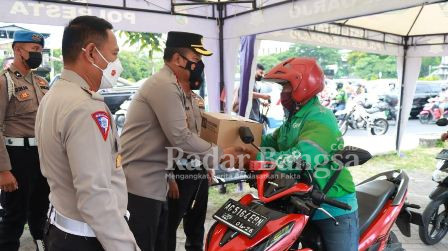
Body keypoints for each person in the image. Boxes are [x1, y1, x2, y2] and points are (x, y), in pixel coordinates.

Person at [120, 31, 245, 251]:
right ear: (178, 59)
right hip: (141, 186)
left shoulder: (177, 88)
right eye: (196, 60)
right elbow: (180, 137)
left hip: (154, 183)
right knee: (144, 244)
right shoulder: (164, 86)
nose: (199, 66)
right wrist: (221, 153)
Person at [35, 16, 139, 251]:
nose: (117, 63)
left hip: (62, 229)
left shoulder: (54, 95)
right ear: (91, 53)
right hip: (88, 239)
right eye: (114, 54)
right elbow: (94, 196)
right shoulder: (85, 107)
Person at [255, 58, 359, 251]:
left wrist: (260, 160)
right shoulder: (293, 118)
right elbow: (269, 142)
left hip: (332, 205)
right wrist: (244, 145)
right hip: (297, 201)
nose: (282, 92)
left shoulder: (320, 117)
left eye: (285, 86)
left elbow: (302, 157)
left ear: (302, 85)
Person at [0, 30, 50, 251]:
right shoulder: (4, 82)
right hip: (17, 157)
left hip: (41, 155)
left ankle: (41, 245)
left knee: (42, 210)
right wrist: (3, 170)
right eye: (34, 50)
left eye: (40, 50)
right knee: (14, 216)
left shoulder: (41, 81)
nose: (38, 54)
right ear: (18, 50)